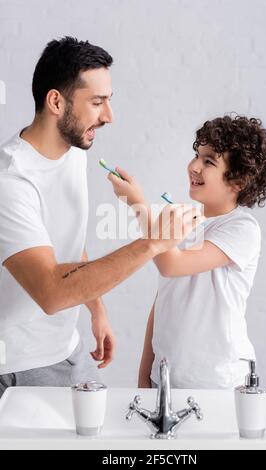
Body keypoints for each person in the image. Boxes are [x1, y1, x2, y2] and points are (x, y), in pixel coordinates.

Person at [0, 37, 198, 398]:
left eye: (108, 101)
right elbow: (52, 291)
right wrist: (154, 242)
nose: (108, 116)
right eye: (97, 102)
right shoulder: (11, 181)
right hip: (20, 366)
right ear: (56, 102)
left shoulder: (73, 151)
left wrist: (96, 309)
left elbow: (67, 241)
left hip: (70, 349)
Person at [108, 115, 266, 389]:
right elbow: (163, 300)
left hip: (218, 382)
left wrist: (137, 205)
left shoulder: (241, 228)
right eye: (196, 155)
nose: (193, 166)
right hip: (166, 379)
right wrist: (146, 373)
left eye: (208, 161)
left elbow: (171, 264)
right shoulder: (184, 221)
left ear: (238, 181)